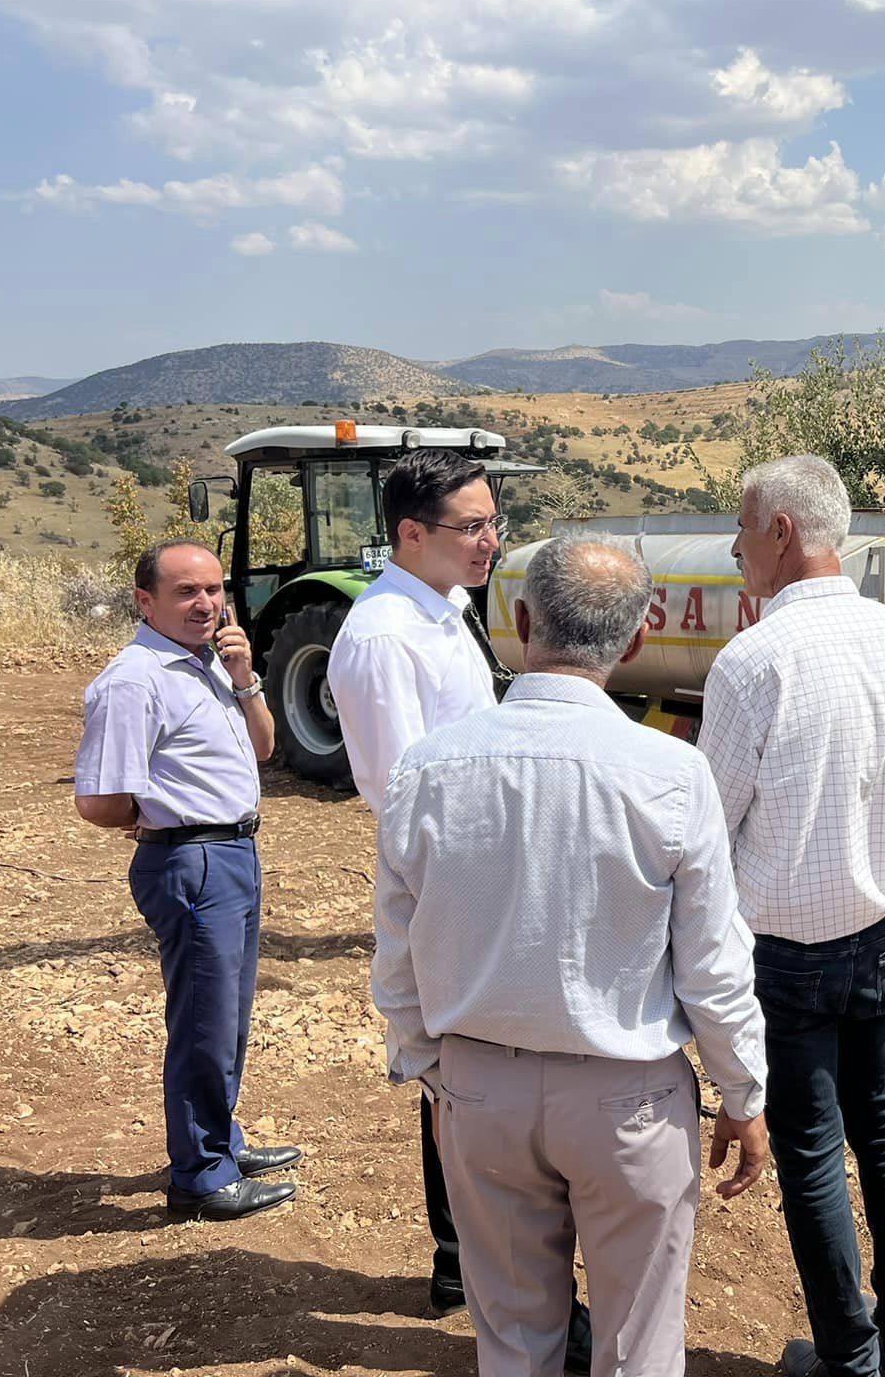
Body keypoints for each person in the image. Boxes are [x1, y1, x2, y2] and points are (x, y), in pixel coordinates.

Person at [374, 538, 771, 1377]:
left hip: (479, 1085)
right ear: (634, 640)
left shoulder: (429, 767)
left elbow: (399, 946)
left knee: (513, 1342)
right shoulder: (671, 772)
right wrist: (741, 1091)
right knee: (640, 1343)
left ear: (520, 623)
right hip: (627, 1096)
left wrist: (427, 1066)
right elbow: (712, 963)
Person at [325, 449, 594, 1370]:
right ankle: (473, 1265)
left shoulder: (442, 612)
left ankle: (470, 1264)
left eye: (492, 524)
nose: (489, 542)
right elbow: (402, 789)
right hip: (451, 877)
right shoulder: (382, 636)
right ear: (410, 534)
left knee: (484, 1064)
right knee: (457, 1067)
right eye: (470, 527)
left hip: (490, 866)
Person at [697, 455, 885, 1377]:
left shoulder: (754, 660)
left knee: (810, 1156)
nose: (733, 546)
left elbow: (707, 823)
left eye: (743, 528)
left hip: (787, 955)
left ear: (783, 534)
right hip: (884, 934)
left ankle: (850, 1359)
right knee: (884, 1134)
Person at [73, 539, 301, 1220]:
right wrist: (162, 822)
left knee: (225, 1018)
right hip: (192, 858)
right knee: (203, 1022)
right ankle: (201, 1175)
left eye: (213, 589)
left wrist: (246, 677)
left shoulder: (205, 665)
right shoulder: (135, 679)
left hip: (230, 853)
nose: (206, 604)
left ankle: (221, 1142)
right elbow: (99, 800)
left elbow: (263, 750)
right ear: (145, 602)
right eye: (186, 592)